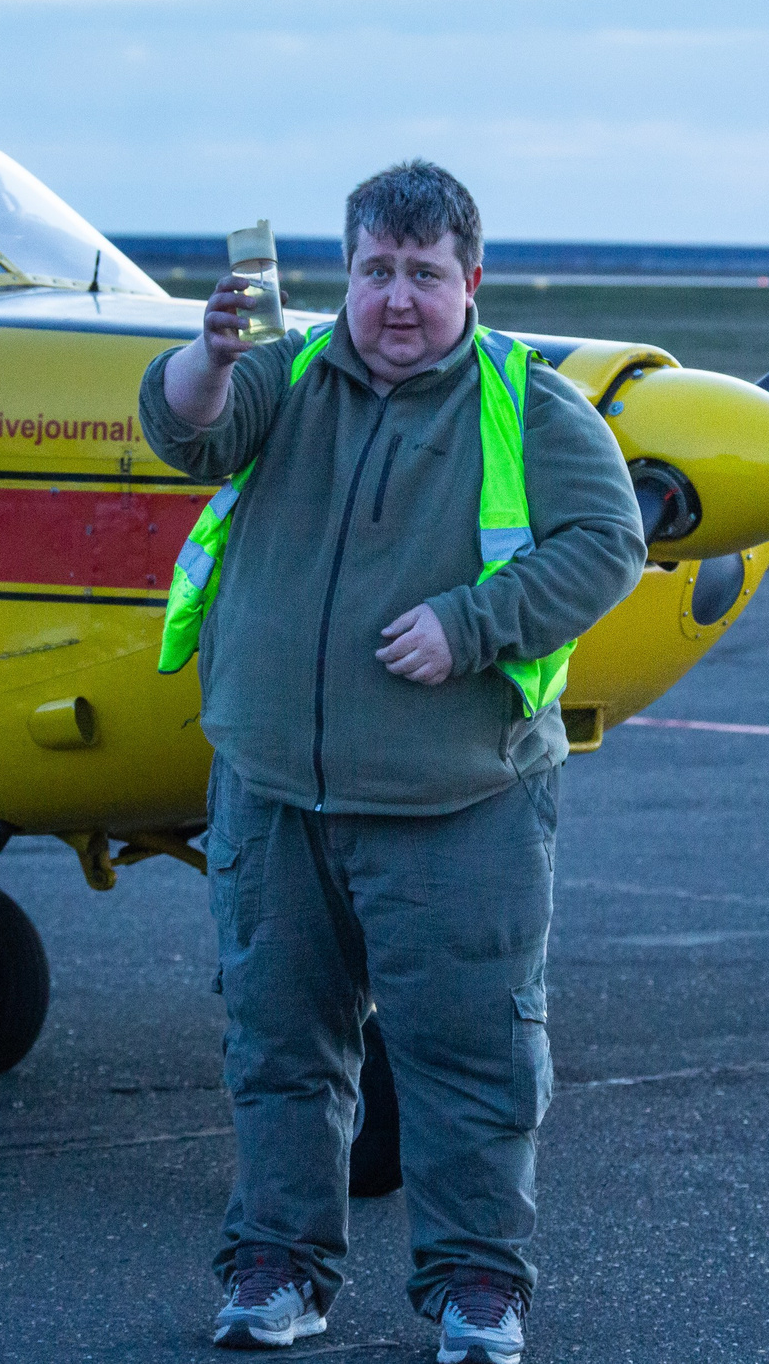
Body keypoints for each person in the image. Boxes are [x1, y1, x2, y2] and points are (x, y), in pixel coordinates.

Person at [139, 161, 647, 1363]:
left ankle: (478, 1288)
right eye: (377, 272)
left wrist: (471, 624)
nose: (398, 301)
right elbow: (185, 436)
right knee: (274, 1050)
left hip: (458, 798)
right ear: (347, 275)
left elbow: (608, 548)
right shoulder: (289, 373)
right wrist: (205, 356)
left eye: (425, 275)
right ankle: (278, 1270)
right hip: (273, 794)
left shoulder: (529, 407)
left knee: (469, 1055)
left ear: (470, 281)